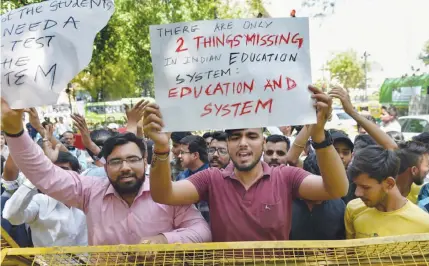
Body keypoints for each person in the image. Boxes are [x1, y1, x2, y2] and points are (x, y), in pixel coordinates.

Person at [143, 85, 349, 242]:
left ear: (263, 142)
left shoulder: (285, 177)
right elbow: (163, 195)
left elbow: (337, 189)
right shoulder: (212, 179)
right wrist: (161, 147)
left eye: (251, 136)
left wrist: (320, 134)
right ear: (228, 143)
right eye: (235, 137)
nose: (243, 143)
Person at [1, 99, 211, 245]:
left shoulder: (168, 193)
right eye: (116, 161)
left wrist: (164, 240)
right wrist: (15, 131)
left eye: (132, 159)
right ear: (105, 165)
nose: (125, 167)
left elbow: (202, 231)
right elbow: (44, 174)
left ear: (145, 160)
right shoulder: (89, 191)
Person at [3, 151, 88, 247]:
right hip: (47, 261)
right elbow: (12, 216)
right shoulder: (39, 201)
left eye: (63, 169)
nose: (58, 175)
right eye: (53, 171)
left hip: (91, 261)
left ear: (76, 174)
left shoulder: (88, 199)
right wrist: (36, 178)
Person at [345, 145, 429, 239]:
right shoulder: (353, 209)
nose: (357, 193)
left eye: (365, 187)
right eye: (356, 185)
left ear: (389, 183)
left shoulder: (423, 224)